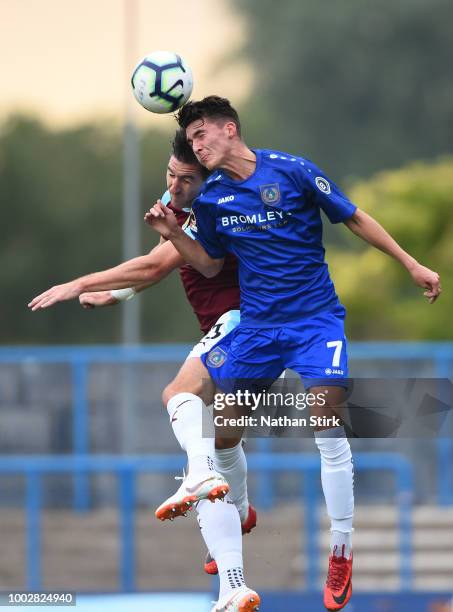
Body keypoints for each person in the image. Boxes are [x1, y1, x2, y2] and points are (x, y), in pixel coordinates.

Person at [145, 96, 441, 611]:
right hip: (259, 327)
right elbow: (212, 267)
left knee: (324, 416)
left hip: (314, 320)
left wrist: (411, 264)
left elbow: (354, 218)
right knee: (225, 428)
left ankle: (341, 549)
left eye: (201, 137)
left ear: (229, 130)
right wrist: (173, 234)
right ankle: (237, 509)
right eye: (190, 141)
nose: (196, 147)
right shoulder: (211, 198)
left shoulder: (294, 171)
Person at [28, 130, 261, 612]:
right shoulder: (182, 191)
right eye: (169, 176)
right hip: (239, 326)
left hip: (248, 321)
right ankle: (234, 583)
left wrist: (80, 283)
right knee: (223, 440)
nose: (174, 187)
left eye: (185, 180)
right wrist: (119, 293)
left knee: (179, 398)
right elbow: (157, 264)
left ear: (209, 179)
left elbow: (155, 266)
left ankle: (203, 481)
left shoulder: (217, 204)